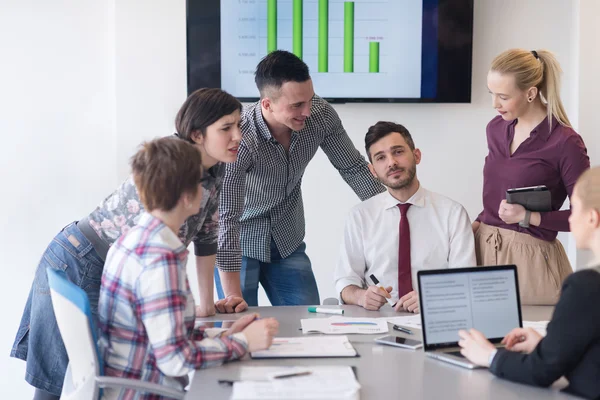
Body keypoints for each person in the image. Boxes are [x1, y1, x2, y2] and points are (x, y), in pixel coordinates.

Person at [11, 88, 249, 400]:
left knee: (89, 376)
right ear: (197, 134)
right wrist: (237, 340)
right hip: (81, 258)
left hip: (104, 261)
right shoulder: (172, 171)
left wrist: (206, 307)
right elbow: (163, 263)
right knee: (63, 381)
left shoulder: (213, 171)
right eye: (226, 128)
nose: (238, 137)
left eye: (239, 126)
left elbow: (206, 238)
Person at [99, 137, 278, 399]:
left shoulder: (132, 240)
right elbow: (175, 360)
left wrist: (222, 334)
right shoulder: (161, 259)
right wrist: (243, 342)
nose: (205, 190)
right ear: (187, 196)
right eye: (201, 182)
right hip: (147, 391)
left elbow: (164, 329)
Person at [215, 50, 385, 306]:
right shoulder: (240, 137)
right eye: (296, 105)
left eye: (310, 99)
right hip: (239, 241)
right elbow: (226, 217)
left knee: (308, 324)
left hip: (287, 238)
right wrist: (231, 299)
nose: (308, 110)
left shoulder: (320, 115)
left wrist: (392, 211)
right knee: (241, 328)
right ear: (267, 104)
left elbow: (353, 168)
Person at [459, 166, 600, 400]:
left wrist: (489, 356)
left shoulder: (585, 286)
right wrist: (547, 346)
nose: (571, 218)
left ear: (592, 217)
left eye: (574, 209)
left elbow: (542, 371)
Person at [473, 49, 590, 305]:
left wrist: (529, 217)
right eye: (491, 93)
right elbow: (495, 192)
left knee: (530, 343)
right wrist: (477, 225)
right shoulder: (495, 129)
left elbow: (589, 215)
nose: (495, 104)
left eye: (503, 96)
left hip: (532, 261)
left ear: (530, 93)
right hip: (484, 250)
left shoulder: (565, 142)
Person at [334, 121, 476, 313]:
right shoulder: (360, 216)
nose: (391, 162)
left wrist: (432, 297)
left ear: (416, 156)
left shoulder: (452, 213)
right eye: (381, 157)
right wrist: (361, 296)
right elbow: (345, 281)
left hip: (436, 314)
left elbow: (465, 278)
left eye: (398, 152)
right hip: (377, 320)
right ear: (373, 170)